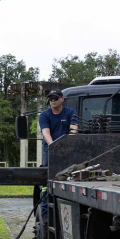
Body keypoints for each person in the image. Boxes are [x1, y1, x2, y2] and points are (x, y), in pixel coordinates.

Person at [38, 90, 78, 220]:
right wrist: (54, 146)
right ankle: (45, 214)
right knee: (47, 177)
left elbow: (73, 130)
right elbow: (46, 133)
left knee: (70, 173)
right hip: (50, 149)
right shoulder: (44, 115)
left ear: (62, 99)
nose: (52, 100)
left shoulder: (71, 112)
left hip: (68, 149)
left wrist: (67, 144)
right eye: (50, 98)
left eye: (55, 98)